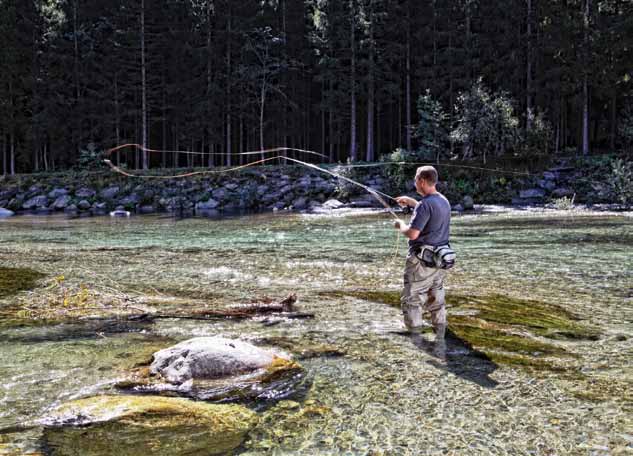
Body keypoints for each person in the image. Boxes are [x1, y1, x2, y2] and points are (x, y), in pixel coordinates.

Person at [394, 165, 451, 334]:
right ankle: (440, 332)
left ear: (422, 181)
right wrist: (412, 203)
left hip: (421, 261)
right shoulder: (443, 200)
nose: (414, 182)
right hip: (439, 259)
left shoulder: (425, 205)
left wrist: (400, 225)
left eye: (415, 179)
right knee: (437, 298)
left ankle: (415, 336)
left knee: (412, 299)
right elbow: (429, 210)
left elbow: (412, 234)